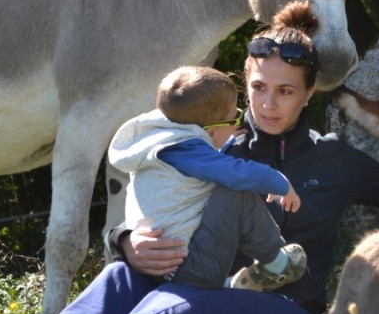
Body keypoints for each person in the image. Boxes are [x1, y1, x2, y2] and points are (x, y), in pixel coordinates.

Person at [23, 0, 379, 314]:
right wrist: (125, 242)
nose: (268, 103)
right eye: (258, 87)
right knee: (120, 280)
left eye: (286, 91)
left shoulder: (334, 160)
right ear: (244, 84)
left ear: (309, 92)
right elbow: (146, 204)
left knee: (186, 307)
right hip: (200, 296)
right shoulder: (210, 145)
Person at [110, 65, 305, 292]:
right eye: (235, 118)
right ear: (211, 131)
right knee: (235, 191)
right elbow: (234, 174)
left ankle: (223, 283)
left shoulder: (159, 141)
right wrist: (278, 180)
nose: (237, 125)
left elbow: (204, 161)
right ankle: (278, 265)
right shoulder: (186, 151)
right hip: (187, 271)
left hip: (154, 273)